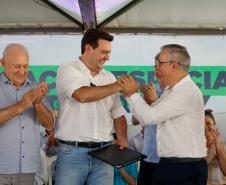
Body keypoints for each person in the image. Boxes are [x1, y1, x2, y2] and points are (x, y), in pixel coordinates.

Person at [118, 44, 208, 185]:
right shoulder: (170, 91)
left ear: (174, 65)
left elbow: (150, 117)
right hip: (168, 165)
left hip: (184, 167)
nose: (157, 68)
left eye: (160, 63)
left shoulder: (186, 91)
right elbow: (147, 118)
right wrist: (137, 98)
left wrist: (132, 94)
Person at [55, 28, 128, 185]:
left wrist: (122, 137)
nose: (107, 57)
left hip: (105, 152)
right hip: (72, 153)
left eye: (109, 53)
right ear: (88, 48)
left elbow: (117, 113)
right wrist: (119, 86)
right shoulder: (67, 69)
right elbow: (82, 95)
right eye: (103, 52)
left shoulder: (109, 77)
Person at [0, 43, 54, 185]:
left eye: (25, 66)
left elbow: (49, 124)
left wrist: (38, 104)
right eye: (17, 66)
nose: (22, 71)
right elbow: (21, 106)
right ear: (2, 63)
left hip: (28, 170)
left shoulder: (35, 88)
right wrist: (21, 105)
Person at [205, 109, 226, 185]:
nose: (205, 127)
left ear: (214, 125)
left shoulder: (224, 146)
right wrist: (210, 155)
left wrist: (219, 149)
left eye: (208, 123)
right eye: (201, 124)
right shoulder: (195, 149)